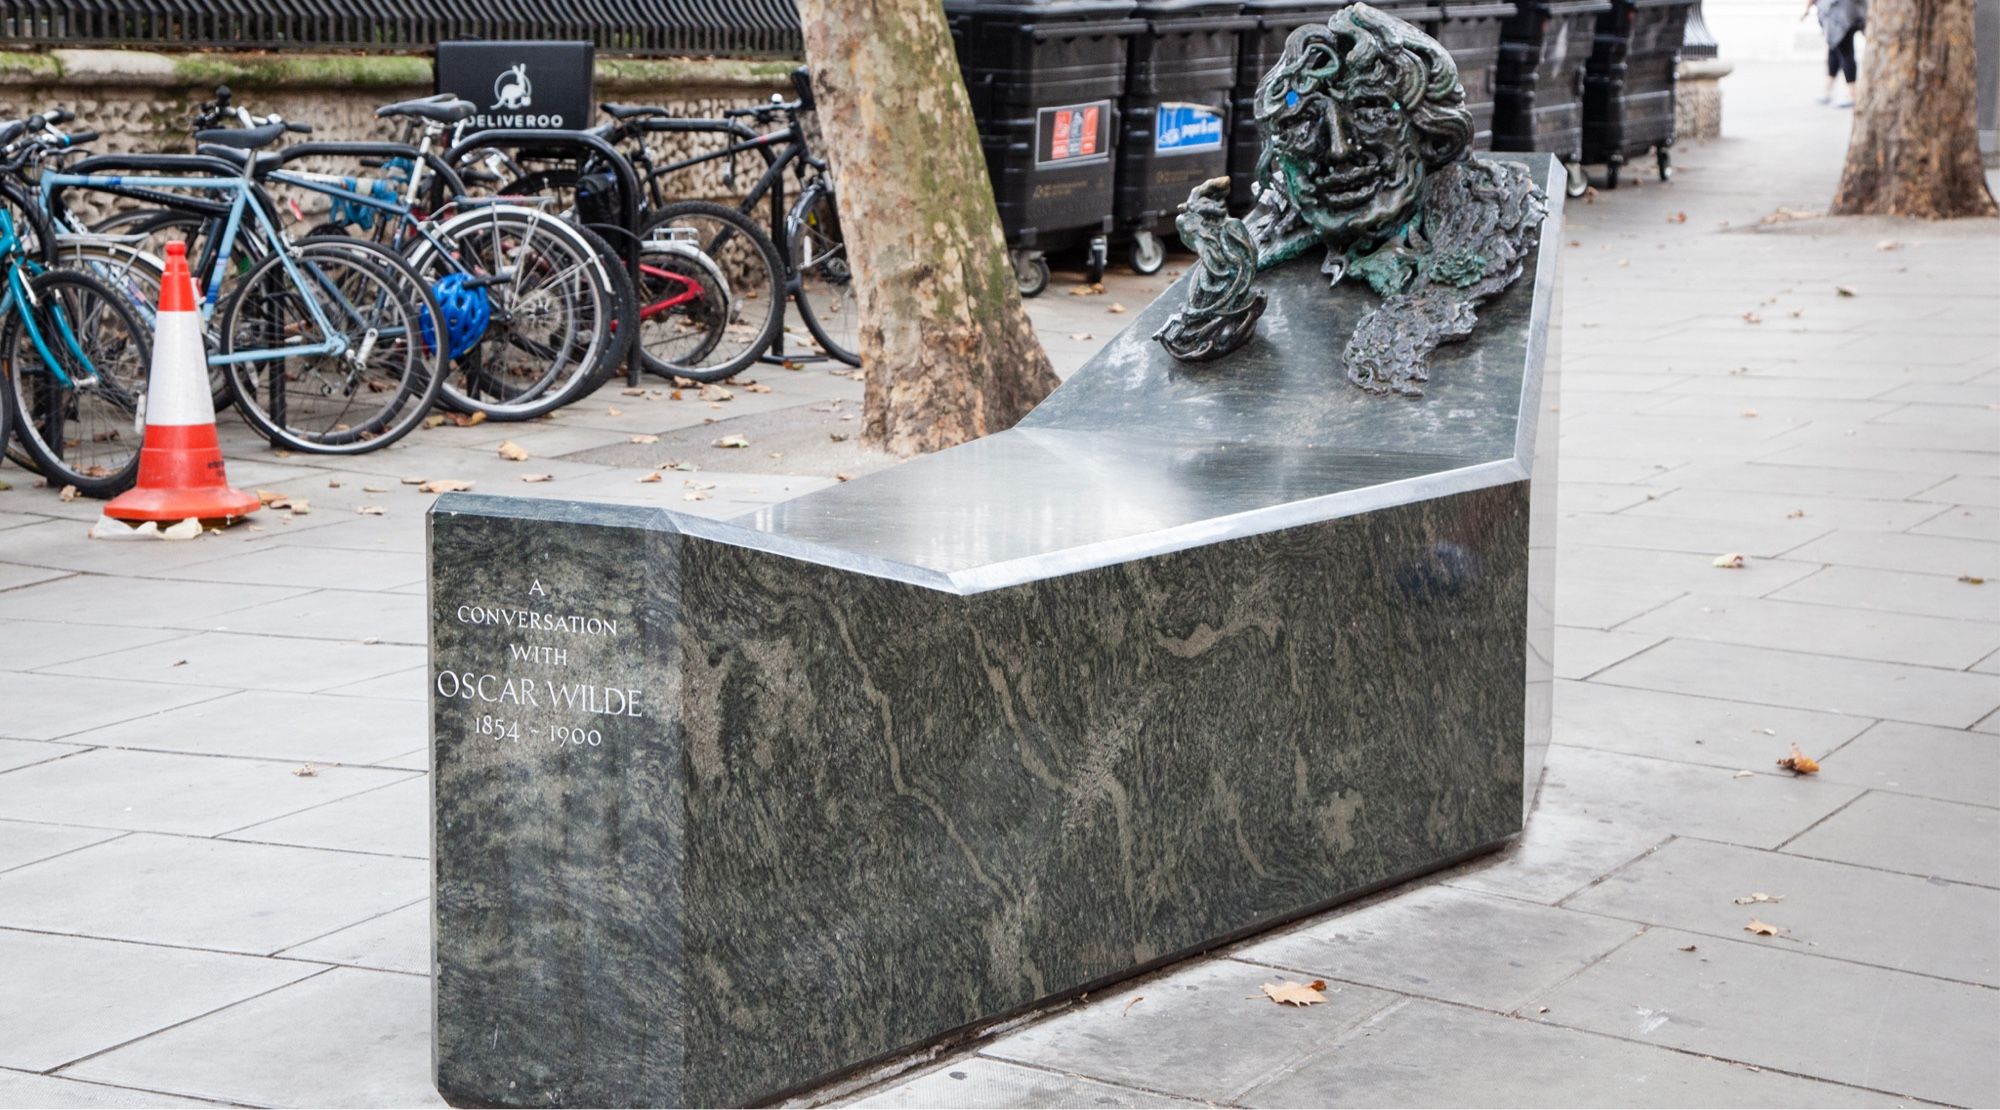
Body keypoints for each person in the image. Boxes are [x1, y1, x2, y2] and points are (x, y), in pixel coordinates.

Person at [1804, 0, 1867, 107]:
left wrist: (1807, 8)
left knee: (1845, 51)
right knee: (1834, 49)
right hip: (1849, 11)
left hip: (1839, 15)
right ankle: (1828, 90)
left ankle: (1852, 94)